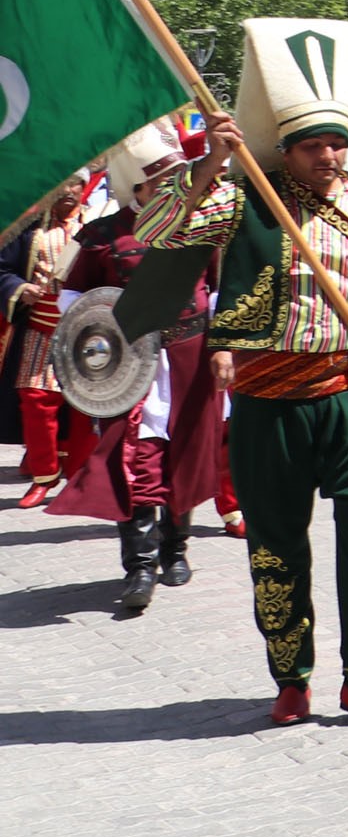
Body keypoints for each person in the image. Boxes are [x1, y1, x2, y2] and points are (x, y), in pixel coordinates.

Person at [138, 18, 348, 729]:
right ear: (285, 148)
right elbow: (154, 229)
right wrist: (211, 164)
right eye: (315, 145)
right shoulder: (246, 197)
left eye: (339, 142)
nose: (331, 156)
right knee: (277, 542)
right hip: (267, 398)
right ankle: (291, 675)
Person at [51, 120, 227, 613]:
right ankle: (141, 565)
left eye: (178, 178)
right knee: (137, 458)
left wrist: (222, 348)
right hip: (129, 364)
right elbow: (72, 298)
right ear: (138, 184)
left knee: (186, 453)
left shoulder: (199, 222)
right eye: (161, 180)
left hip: (190, 355)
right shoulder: (101, 234)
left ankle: (176, 549)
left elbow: (216, 290)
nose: (173, 187)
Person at [2, 174, 96, 507]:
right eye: (63, 183)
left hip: (86, 332)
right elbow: (2, 269)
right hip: (40, 328)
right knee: (35, 399)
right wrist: (19, 288)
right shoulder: (28, 230)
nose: (69, 190)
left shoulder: (98, 223)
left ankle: (81, 476)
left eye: (76, 184)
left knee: (86, 406)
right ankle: (44, 475)